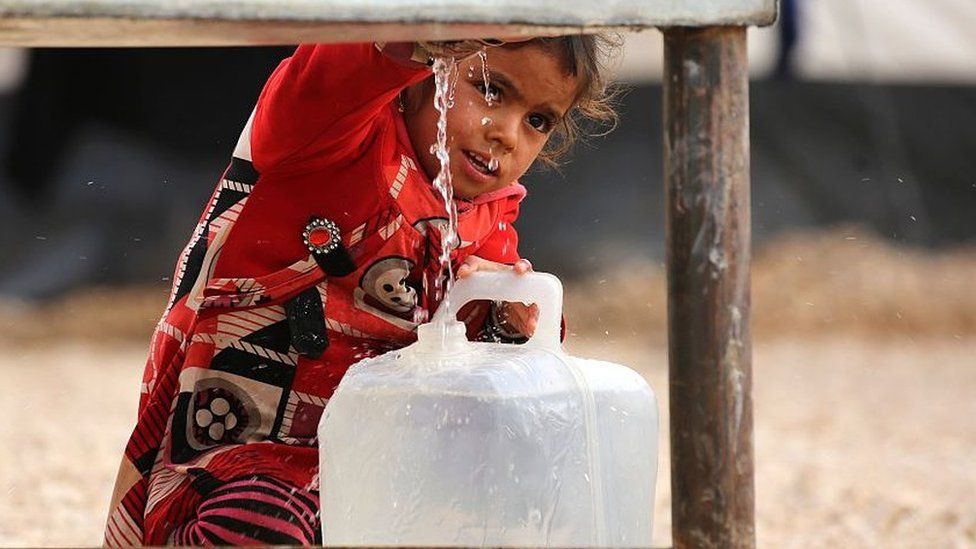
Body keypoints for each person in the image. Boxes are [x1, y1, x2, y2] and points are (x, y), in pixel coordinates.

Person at [104, 36, 619, 546]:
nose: (507, 133)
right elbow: (339, 67)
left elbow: (495, 382)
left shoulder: (488, 226)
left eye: (538, 121)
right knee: (257, 524)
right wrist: (416, 30)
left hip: (375, 474)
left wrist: (510, 318)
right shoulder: (328, 139)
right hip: (244, 449)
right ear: (429, 67)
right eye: (490, 89)